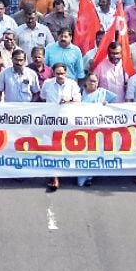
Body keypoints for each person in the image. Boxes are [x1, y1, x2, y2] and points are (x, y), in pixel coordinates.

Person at [41, 62, 80, 191]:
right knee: (52, 148)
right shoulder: (47, 84)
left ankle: (67, 172)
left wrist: (68, 101)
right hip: (51, 121)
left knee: (66, 147)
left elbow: (78, 101)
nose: (60, 76)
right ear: (53, 73)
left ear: (66, 73)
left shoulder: (72, 84)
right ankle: (54, 176)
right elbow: (42, 98)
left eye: (62, 73)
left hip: (68, 121)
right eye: (57, 74)